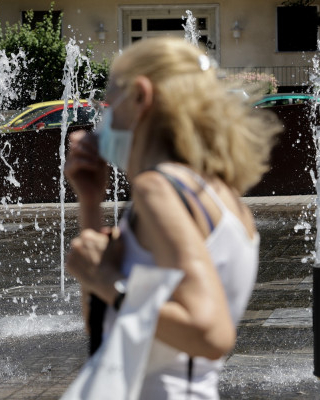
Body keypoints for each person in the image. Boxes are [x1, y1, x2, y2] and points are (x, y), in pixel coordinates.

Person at [64, 36, 281, 399]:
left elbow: (211, 334)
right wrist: (90, 201)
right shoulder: (217, 192)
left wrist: (107, 282)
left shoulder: (158, 189)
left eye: (110, 99)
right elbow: (106, 322)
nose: (104, 117)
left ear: (140, 96)